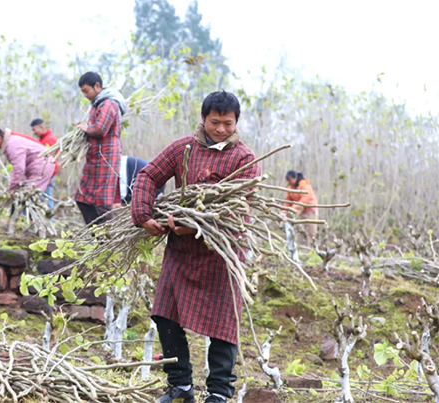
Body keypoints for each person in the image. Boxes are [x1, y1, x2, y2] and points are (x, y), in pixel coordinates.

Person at [131, 91, 261, 403]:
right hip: (181, 251)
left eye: (227, 123)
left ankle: (218, 393)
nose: (220, 129)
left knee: (223, 326)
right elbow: (148, 175)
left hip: (222, 253)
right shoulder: (183, 148)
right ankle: (181, 387)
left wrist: (198, 225)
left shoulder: (244, 159)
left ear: (236, 122)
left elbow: (240, 208)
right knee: (165, 314)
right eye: (214, 122)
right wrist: (143, 215)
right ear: (203, 119)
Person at [75, 71, 126, 225]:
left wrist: (85, 127)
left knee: (103, 203)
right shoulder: (97, 104)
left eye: (86, 91)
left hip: (106, 158)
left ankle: (109, 242)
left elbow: (100, 129)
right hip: (94, 158)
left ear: (97, 86)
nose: (85, 95)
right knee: (82, 198)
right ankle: (97, 237)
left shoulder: (109, 103)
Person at [0, 122, 55, 195]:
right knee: (29, 193)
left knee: (29, 195)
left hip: (41, 165)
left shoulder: (12, 146)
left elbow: (19, 168)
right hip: (41, 164)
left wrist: (12, 187)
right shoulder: (12, 141)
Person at [31, 118, 59, 209]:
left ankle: (49, 222)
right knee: (42, 199)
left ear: (41, 127)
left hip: (48, 175)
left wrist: (49, 176)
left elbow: (52, 159)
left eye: (34, 129)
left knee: (46, 199)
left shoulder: (49, 139)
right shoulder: (43, 139)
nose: (33, 132)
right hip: (43, 174)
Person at [283, 170, 319, 239]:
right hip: (299, 210)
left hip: (310, 209)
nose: (289, 182)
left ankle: (313, 245)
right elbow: (288, 200)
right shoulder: (290, 187)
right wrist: (284, 210)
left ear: (295, 178)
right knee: (296, 227)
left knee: (312, 231)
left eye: (290, 179)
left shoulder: (304, 185)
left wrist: (293, 208)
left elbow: (304, 200)